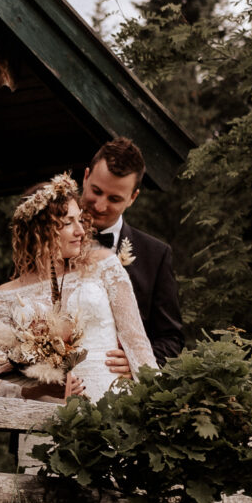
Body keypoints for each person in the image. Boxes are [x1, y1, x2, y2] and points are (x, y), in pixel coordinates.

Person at [0, 167, 159, 403]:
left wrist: (158, 405)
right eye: (68, 223)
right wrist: (38, 389)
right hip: (42, 420)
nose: (81, 230)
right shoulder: (5, 296)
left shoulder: (105, 266)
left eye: (79, 220)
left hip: (112, 405)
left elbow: (138, 344)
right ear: (40, 231)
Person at [66, 137, 183, 373]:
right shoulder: (47, 241)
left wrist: (137, 361)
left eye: (114, 198)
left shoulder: (156, 255)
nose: (99, 205)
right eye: (96, 191)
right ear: (86, 177)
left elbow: (171, 340)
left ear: (133, 197)